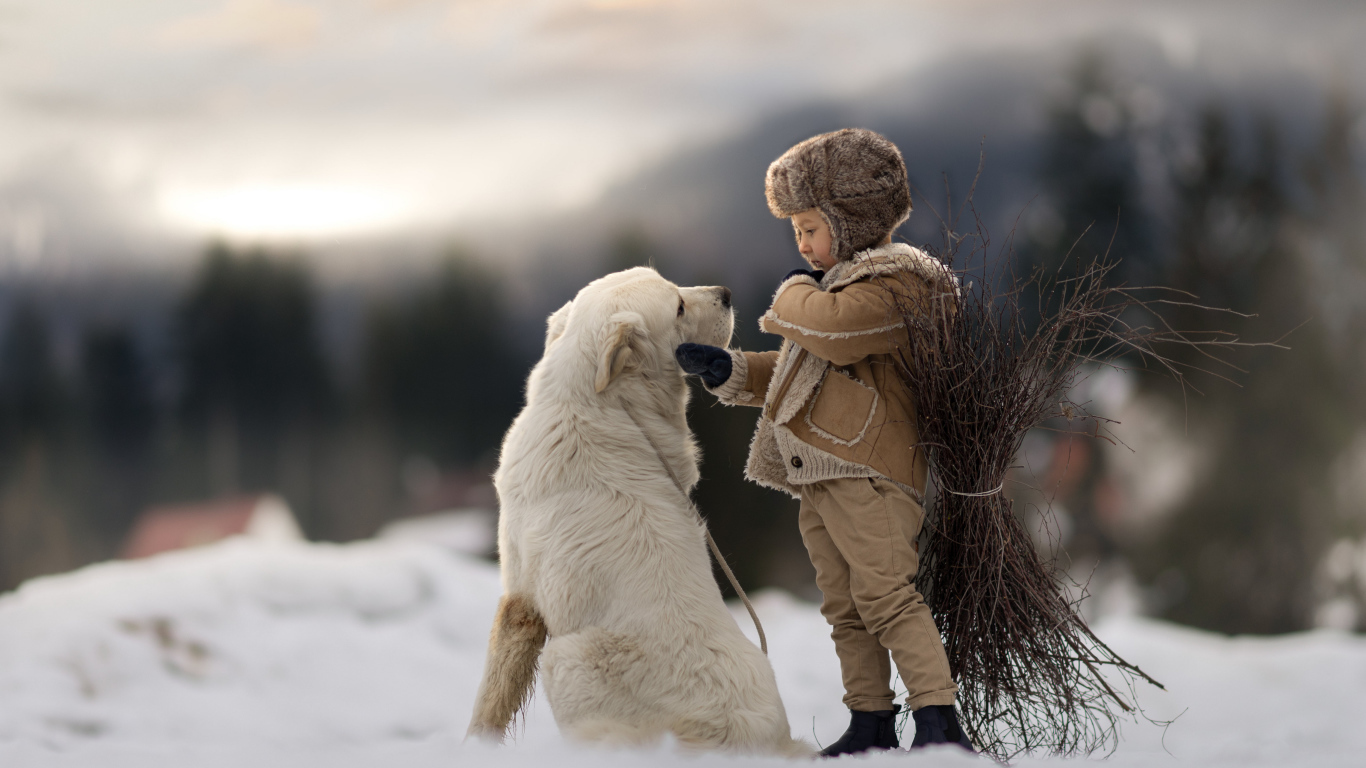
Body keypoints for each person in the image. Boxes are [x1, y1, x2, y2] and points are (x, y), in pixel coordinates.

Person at [675, 128, 972, 756]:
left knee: (889, 595)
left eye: (811, 227)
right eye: (796, 232)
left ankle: (939, 722)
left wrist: (788, 290)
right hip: (822, 475)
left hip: (873, 475)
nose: (803, 244)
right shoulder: (835, 288)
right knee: (846, 608)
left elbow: (831, 333)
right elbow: (796, 370)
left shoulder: (900, 284)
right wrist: (729, 371)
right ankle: (870, 720)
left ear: (853, 219)